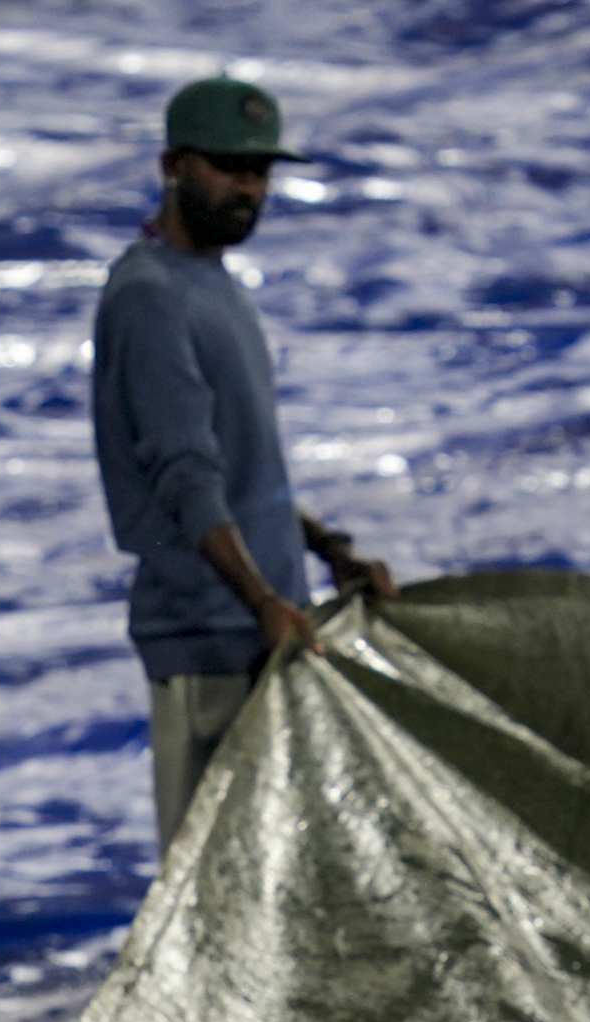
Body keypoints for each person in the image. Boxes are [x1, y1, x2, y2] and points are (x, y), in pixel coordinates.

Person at [93, 73, 401, 852]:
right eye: (229, 167)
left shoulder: (209, 286)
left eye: (261, 173)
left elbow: (239, 473)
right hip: (212, 644)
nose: (249, 188)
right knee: (218, 886)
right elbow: (185, 477)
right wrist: (261, 599)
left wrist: (329, 552)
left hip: (264, 636)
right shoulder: (149, 297)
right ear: (173, 166)